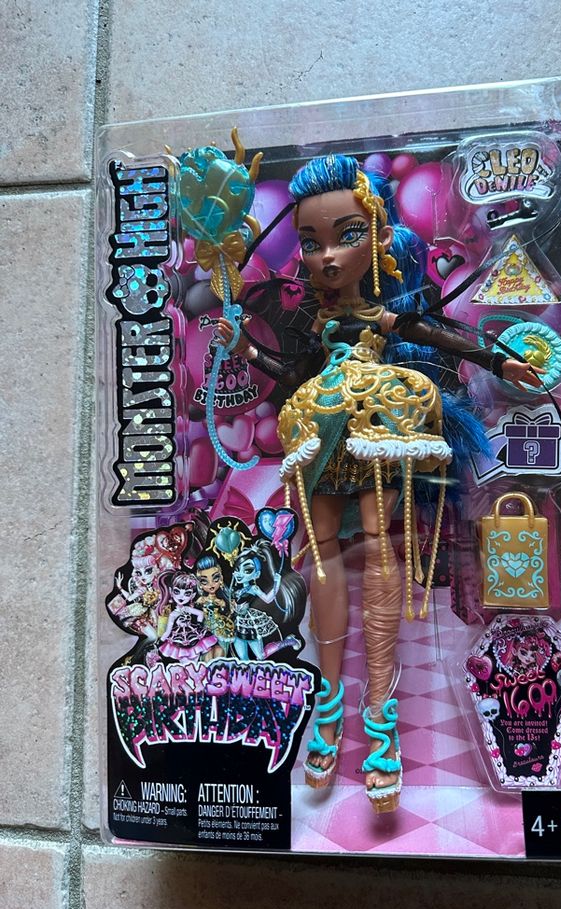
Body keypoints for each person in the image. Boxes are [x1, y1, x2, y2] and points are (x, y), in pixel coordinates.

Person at [216, 154, 540, 813]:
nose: (328, 257)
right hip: (319, 429)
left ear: (379, 236)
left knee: (379, 546)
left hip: (378, 421)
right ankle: (329, 706)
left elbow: (434, 332)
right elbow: (294, 374)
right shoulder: (316, 324)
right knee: (321, 554)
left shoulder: (381, 318)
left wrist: (498, 358)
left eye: (346, 236)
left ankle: (381, 718)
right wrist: (245, 349)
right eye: (311, 243)